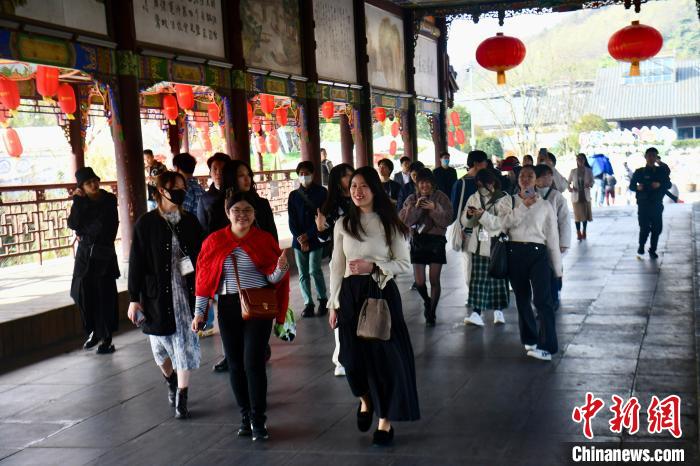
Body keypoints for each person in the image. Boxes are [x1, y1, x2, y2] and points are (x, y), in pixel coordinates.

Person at [327, 166, 420, 446]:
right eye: (353, 185)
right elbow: (336, 265)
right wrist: (333, 303)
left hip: (380, 292)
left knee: (384, 361)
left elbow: (404, 265)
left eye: (364, 186)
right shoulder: (343, 223)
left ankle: (385, 422)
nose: (357, 191)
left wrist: (374, 266)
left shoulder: (390, 223)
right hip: (350, 295)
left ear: (374, 190)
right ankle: (365, 400)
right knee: (351, 360)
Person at [192, 191, 290, 442]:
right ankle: (245, 416)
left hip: (257, 306)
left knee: (252, 362)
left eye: (248, 210)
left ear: (255, 214)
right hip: (227, 307)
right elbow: (203, 280)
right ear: (227, 213)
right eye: (237, 210)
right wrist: (200, 312)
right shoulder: (213, 242)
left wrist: (280, 268)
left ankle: (259, 418)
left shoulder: (264, 239)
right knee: (235, 364)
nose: (242, 215)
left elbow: (272, 279)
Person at [127, 172, 204, 418]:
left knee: (183, 345)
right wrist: (133, 298)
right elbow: (136, 262)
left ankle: (182, 395)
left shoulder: (190, 221)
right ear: (161, 191)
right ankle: (170, 379)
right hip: (156, 295)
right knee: (159, 349)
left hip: (185, 293)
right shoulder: (146, 223)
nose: (180, 192)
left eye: (183, 187)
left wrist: (206, 293)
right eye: (175, 188)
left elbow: (202, 259)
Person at [211, 160, 279, 373]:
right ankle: (234, 357)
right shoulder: (218, 206)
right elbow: (212, 245)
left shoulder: (261, 204)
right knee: (235, 346)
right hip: (229, 282)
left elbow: (273, 240)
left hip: (258, 278)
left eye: (248, 174)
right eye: (241, 175)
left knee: (255, 339)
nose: (247, 179)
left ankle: (257, 353)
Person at [502, 165, 562, 361]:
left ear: (536, 180)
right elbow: (503, 224)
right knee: (522, 298)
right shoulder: (509, 202)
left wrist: (557, 269)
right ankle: (529, 337)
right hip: (515, 252)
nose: (526, 179)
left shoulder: (545, 205)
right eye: (522, 176)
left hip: (538, 253)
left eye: (530, 176)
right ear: (517, 179)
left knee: (543, 301)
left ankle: (548, 346)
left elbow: (552, 237)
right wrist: (523, 206)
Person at [68, 167, 120, 354]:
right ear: (81, 187)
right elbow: (73, 224)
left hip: (102, 253)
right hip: (84, 255)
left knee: (104, 295)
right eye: (88, 183)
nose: (93, 184)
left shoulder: (108, 200)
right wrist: (77, 200)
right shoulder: (81, 201)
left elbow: (108, 226)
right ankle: (93, 331)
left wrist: (85, 232)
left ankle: (106, 337)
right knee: (79, 291)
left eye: (95, 180)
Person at [399, 169, 453, 326]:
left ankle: (432, 312)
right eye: (421, 182)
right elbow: (405, 221)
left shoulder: (441, 197)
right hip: (418, 241)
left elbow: (447, 220)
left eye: (428, 182)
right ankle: (427, 301)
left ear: (433, 183)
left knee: (434, 279)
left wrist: (434, 207)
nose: (424, 185)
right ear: (417, 184)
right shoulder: (411, 198)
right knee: (420, 281)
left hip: (436, 242)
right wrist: (416, 207)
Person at [316, 163, 354, 377]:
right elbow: (324, 238)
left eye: (351, 174)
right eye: (346, 176)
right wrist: (320, 229)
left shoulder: (362, 199)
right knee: (338, 305)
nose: (350, 179)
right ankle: (340, 358)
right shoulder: (330, 205)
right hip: (340, 260)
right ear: (337, 180)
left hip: (363, 260)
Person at [462, 169, 512, 327]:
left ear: (493, 183)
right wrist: (470, 215)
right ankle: (476, 313)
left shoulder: (504, 198)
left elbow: (501, 223)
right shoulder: (473, 197)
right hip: (479, 245)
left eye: (485, 184)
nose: (483, 187)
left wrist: (483, 215)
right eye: (479, 185)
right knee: (478, 280)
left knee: (498, 278)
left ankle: (499, 311)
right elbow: (466, 222)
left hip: (496, 244)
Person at [288, 161, 328, 317]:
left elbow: (322, 217)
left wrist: (308, 235)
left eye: (307, 173)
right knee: (303, 273)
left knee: (314, 269)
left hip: (316, 238)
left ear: (313, 174)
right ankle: (308, 303)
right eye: (301, 174)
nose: (304, 176)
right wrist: (300, 237)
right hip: (298, 241)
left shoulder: (322, 193)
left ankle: (323, 299)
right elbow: (292, 220)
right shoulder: (293, 195)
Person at [450, 150, 488, 306]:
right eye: (484, 162)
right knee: (470, 263)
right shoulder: (462, 183)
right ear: (476, 164)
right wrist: (460, 227)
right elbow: (456, 209)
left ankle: (478, 294)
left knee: (479, 262)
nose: (486, 165)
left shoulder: (482, 181)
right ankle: (473, 294)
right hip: (468, 229)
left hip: (484, 228)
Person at [535, 164, 571, 311]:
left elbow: (564, 220)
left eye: (550, 175)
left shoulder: (557, 197)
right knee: (538, 273)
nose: (548, 178)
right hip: (535, 239)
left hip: (553, 240)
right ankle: (541, 301)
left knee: (553, 269)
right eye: (544, 176)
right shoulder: (530, 195)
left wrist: (564, 242)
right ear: (536, 179)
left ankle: (554, 298)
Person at [629, 147, 671, 259]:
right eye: (649, 155)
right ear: (645, 157)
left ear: (656, 157)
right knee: (644, 228)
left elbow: (668, 184)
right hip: (643, 205)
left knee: (657, 229)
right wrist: (638, 187)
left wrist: (660, 185)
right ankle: (641, 245)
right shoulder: (639, 172)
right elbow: (632, 186)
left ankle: (653, 249)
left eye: (654, 155)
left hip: (656, 204)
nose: (651, 158)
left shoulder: (661, 171)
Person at [197, 152, 230, 235]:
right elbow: (203, 228)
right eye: (215, 169)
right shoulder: (204, 199)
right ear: (210, 173)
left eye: (222, 169)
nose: (218, 172)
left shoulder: (237, 194)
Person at [568, 153, 594, 241]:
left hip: (585, 196)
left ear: (584, 160)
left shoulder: (589, 171)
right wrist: (570, 189)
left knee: (585, 215)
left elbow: (592, 182)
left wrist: (589, 184)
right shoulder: (573, 171)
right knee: (577, 216)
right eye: (578, 159)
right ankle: (578, 232)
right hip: (576, 197)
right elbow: (568, 182)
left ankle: (584, 231)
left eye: (582, 159)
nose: (580, 161)